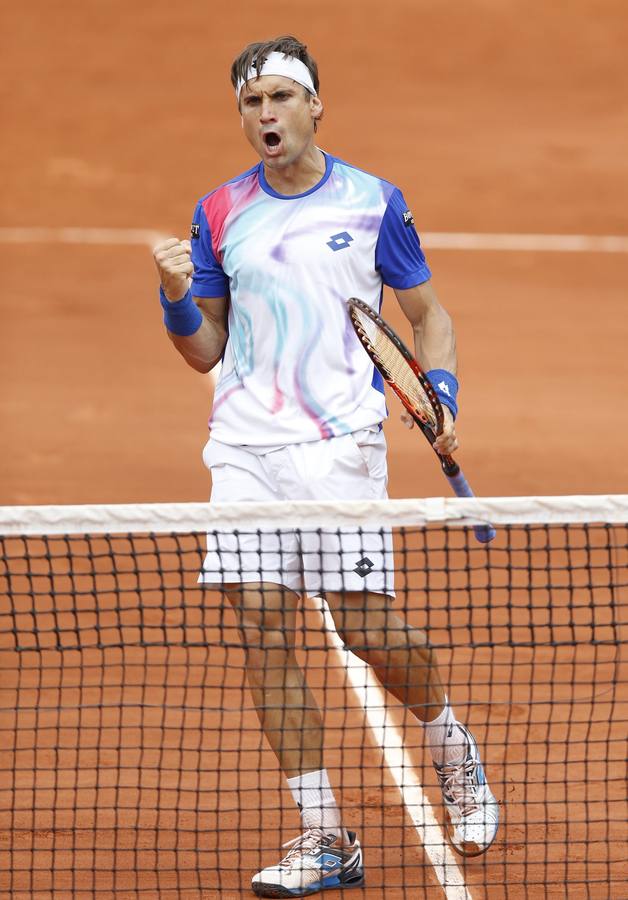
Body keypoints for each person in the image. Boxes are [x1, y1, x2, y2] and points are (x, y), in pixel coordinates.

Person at [153, 35, 498, 898]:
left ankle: (452, 745)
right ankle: (324, 836)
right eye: (250, 103)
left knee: (366, 631)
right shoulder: (219, 211)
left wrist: (443, 393)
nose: (263, 115)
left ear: (314, 107)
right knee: (263, 629)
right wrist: (171, 301)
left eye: (277, 98)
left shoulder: (375, 201)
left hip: (341, 447)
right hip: (244, 451)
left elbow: (428, 317)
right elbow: (208, 349)